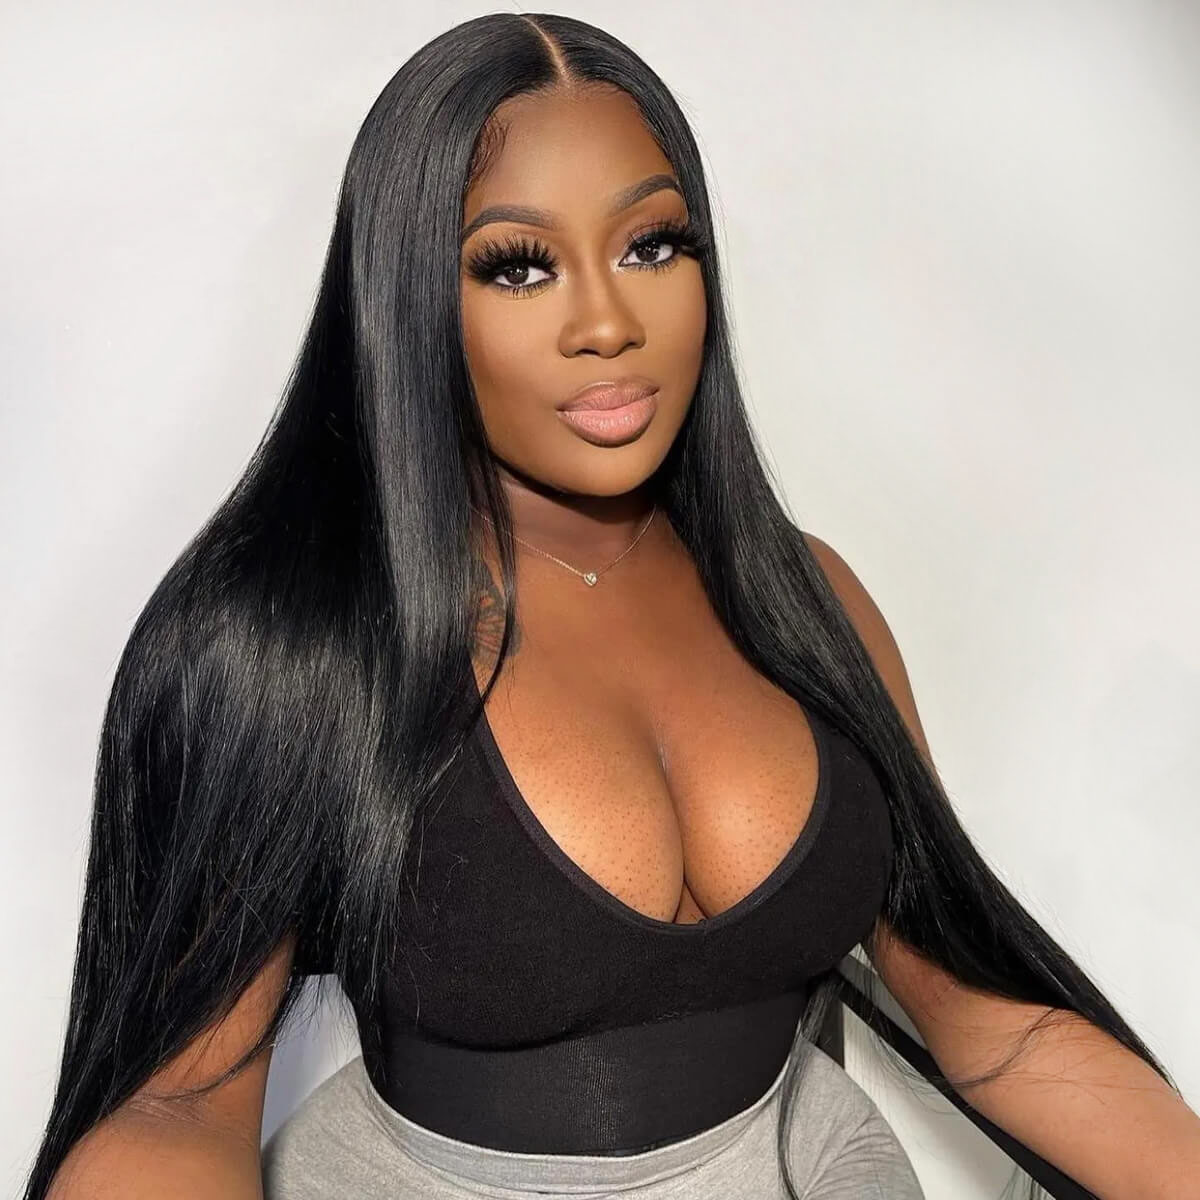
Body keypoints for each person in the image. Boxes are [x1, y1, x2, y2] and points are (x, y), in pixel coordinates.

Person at [26, 12, 1198, 1200]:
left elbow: (995, 1025)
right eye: (518, 266)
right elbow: (172, 1108)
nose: (607, 324)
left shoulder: (813, 602)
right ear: (407, 291)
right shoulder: (280, 638)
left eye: (651, 245)